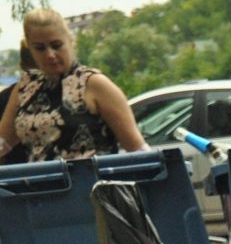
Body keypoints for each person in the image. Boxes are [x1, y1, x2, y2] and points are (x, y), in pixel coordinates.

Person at [0, 9, 145, 163]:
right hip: (38, 178)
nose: (50, 55)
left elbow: (137, 150)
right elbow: (3, 142)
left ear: (70, 40)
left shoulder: (95, 84)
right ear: (30, 47)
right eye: (40, 48)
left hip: (90, 177)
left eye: (56, 45)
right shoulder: (25, 87)